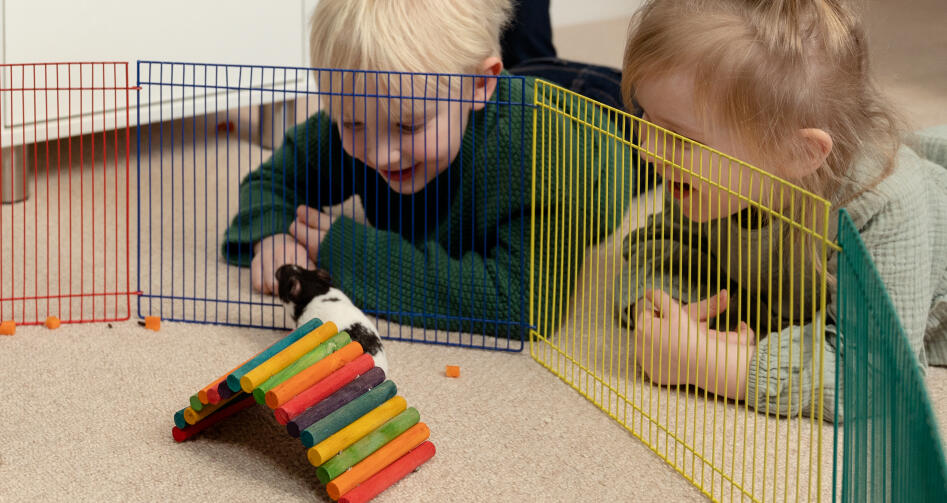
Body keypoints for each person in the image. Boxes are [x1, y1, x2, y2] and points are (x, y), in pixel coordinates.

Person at [615, 0, 947, 422]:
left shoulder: (883, 203)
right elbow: (662, 245)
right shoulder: (697, 178)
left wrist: (714, 366)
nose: (647, 151)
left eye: (679, 136)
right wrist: (668, 314)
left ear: (796, 152)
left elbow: (880, 378)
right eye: (646, 117)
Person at [222, 0, 633, 338]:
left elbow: (522, 303)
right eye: (351, 123)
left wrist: (349, 252)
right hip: (500, 85)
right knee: (529, 65)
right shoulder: (374, 100)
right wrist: (271, 236)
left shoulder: (542, 155)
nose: (380, 155)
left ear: (479, 87)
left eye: (408, 125)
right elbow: (271, 179)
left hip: (605, 115)